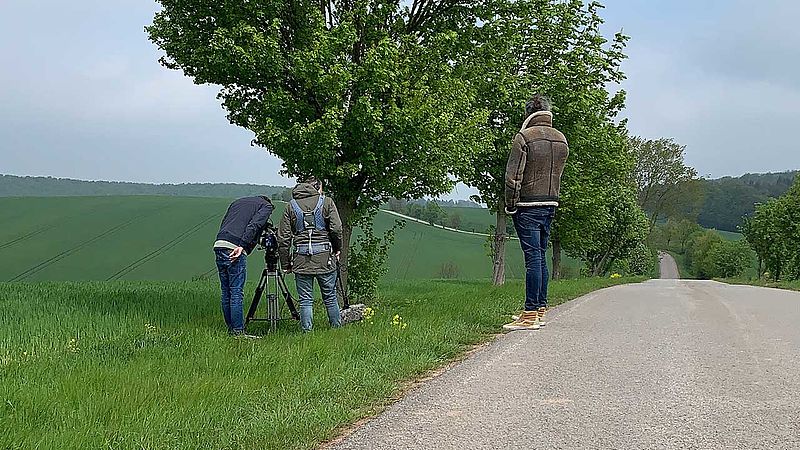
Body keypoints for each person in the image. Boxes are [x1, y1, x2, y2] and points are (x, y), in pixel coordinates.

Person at [503, 94, 569, 331]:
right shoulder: (561, 139)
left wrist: (511, 204)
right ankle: (540, 308)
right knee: (540, 255)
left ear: (528, 113)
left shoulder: (524, 138)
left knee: (532, 259)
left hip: (527, 205)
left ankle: (530, 314)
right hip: (551, 203)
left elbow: (513, 177)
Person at [277, 177, 344, 332]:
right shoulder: (327, 202)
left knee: (306, 299)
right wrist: (337, 248)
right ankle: (336, 330)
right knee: (330, 296)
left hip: (301, 259)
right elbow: (336, 228)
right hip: (325, 258)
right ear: (317, 188)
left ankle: (307, 332)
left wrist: (286, 264)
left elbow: (283, 238)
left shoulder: (291, 206)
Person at [213, 195, 274, 336]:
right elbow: (255, 224)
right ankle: (238, 331)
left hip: (220, 243)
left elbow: (225, 222)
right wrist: (243, 245)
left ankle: (231, 329)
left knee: (226, 291)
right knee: (236, 292)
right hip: (235, 246)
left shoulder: (237, 202)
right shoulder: (266, 206)